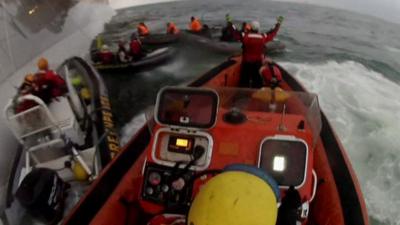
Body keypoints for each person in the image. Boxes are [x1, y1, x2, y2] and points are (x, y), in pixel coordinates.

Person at [238, 16, 283, 88]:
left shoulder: (245, 37)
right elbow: (273, 32)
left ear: (250, 28)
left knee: (244, 80)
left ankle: (243, 94)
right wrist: (278, 24)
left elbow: (235, 33)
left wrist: (229, 23)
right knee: (257, 80)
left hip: (246, 62)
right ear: (258, 29)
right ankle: (257, 94)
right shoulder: (262, 37)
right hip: (257, 62)